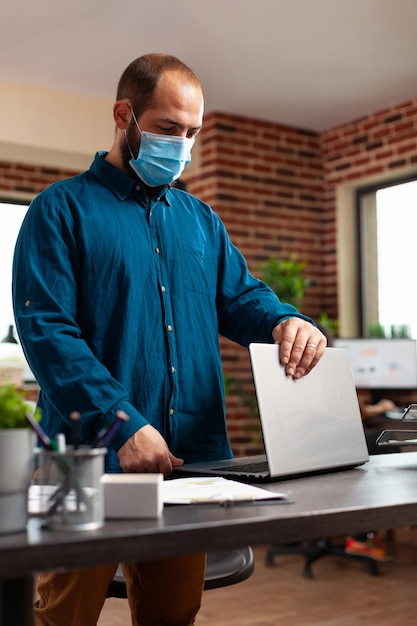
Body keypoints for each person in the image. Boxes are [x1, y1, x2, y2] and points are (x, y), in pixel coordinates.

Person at [12, 53, 326, 626]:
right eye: (166, 129)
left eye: (192, 133)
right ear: (123, 115)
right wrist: (121, 423)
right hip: (82, 459)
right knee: (63, 616)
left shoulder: (201, 220)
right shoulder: (58, 211)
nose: (180, 145)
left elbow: (241, 300)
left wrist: (285, 320)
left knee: (173, 614)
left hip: (189, 461)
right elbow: (46, 332)